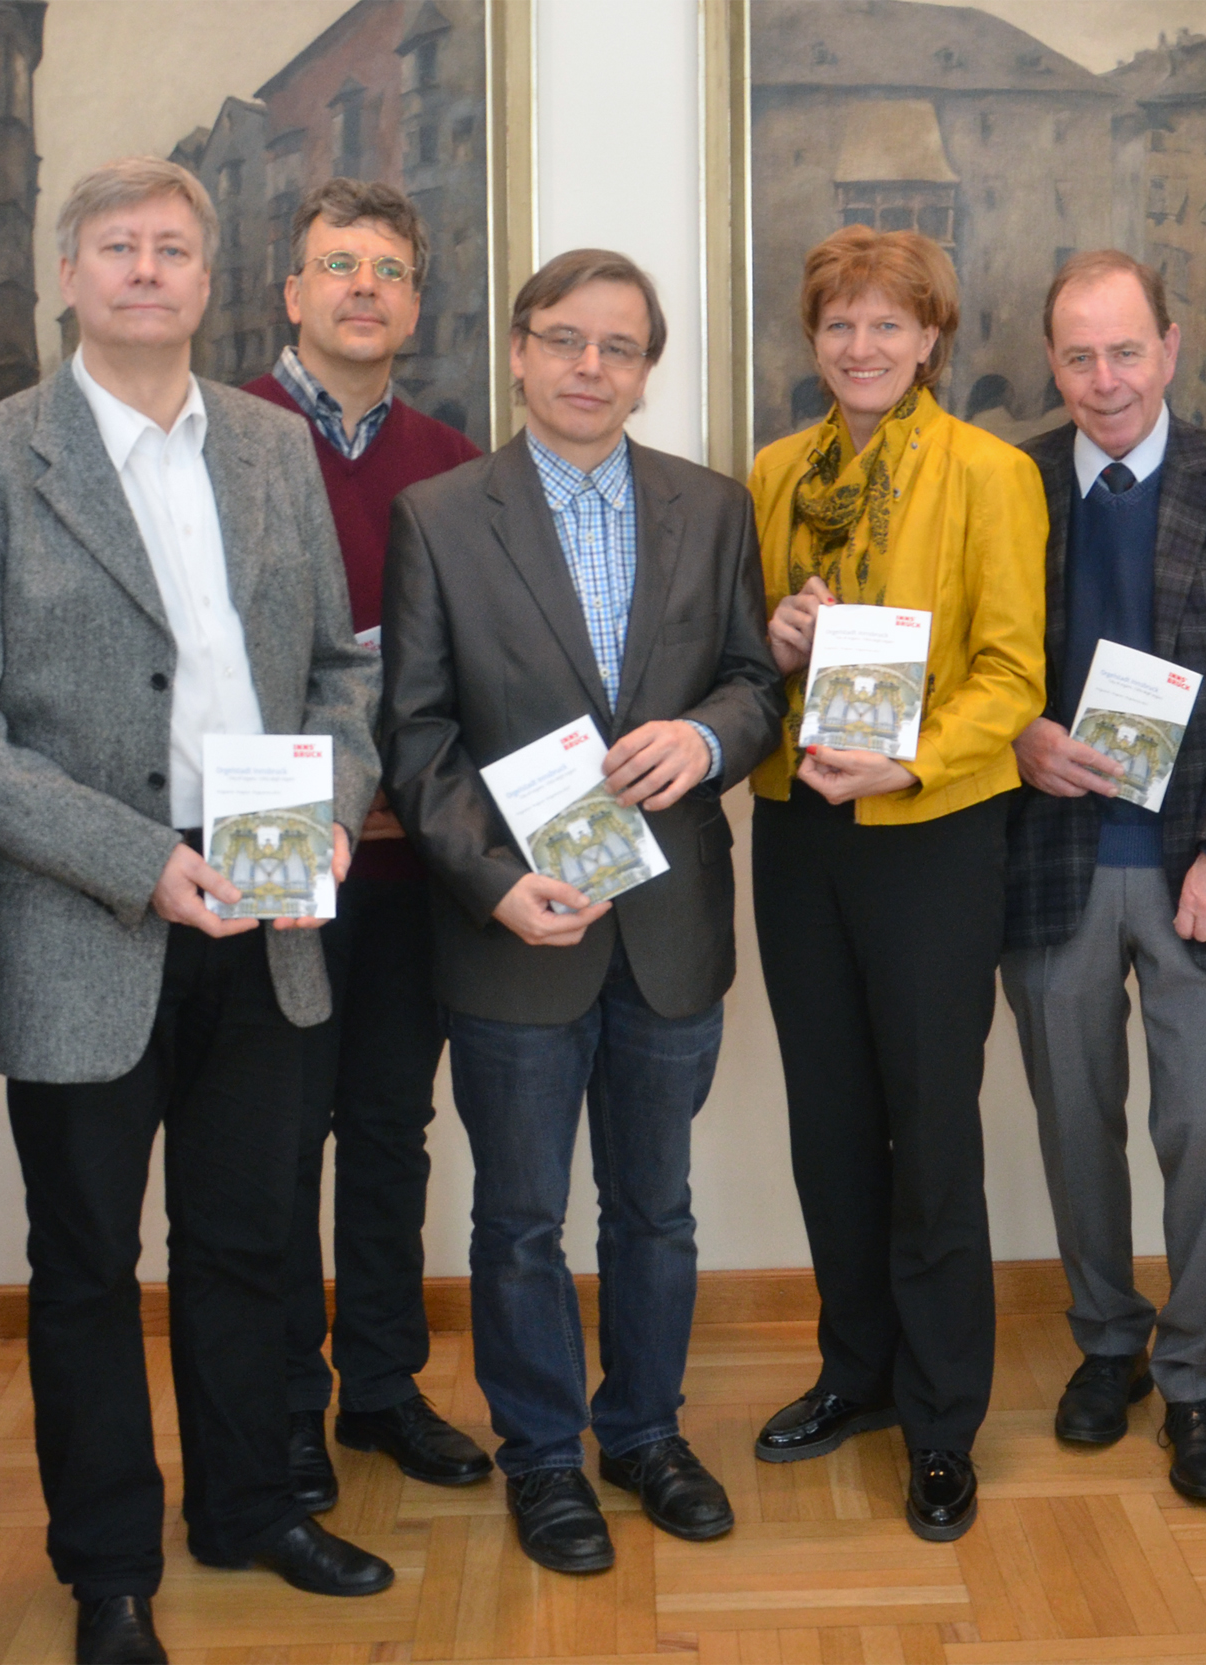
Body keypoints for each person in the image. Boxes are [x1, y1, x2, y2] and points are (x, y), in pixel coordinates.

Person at [0, 158, 389, 1665]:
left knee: (250, 1239)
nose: (147, 269)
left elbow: (338, 674)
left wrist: (332, 804)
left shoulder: (267, 446)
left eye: (175, 247)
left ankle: (249, 1503)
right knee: (89, 1264)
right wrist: (135, 860)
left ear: (209, 276)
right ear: (68, 275)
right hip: (86, 911)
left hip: (270, 891)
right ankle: (109, 1567)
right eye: (117, 246)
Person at [380, 248, 784, 1575]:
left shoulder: (712, 507)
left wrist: (710, 741)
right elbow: (416, 736)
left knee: (657, 1211)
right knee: (516, 1219)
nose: (589, 367)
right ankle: (544, 1460)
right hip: (519, 932)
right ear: (516, 350)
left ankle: (645, 1434)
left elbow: (750, 681)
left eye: (618, 347)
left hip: (669, 931)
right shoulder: (441, 516)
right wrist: (494, 883)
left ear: (648, 368)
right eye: (564, 339)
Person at [999, 250, 1206, 1503]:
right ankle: (1105, 1345)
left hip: (1204, 873)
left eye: (1125, 350)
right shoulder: (1010, 484)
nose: (1103, 378)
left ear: (1171, 349)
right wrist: (1015, 732)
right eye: (1077, 355)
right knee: (1074, 1130)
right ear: (1052, 363)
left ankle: (1196, 1378)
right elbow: (978, 656)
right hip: (1049, 865)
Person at [745, 226, 1048, 1543]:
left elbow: (1012, 676)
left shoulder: (988, 473)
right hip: (798, 828)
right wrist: (770, 634)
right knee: (828, 1120)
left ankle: (940, 1421)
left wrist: (909, 761)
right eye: (839, 325)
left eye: (887, 324)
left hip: (931, 833)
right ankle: (854, 1373)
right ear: (813, 342)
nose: (861, 347)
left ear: (931, 339)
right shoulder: (772, 473)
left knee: (929, 1128)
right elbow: (736, 666)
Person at [241, 177, 489, 1515]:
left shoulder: (454, 463)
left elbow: (480, 666)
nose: (361, 289)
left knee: (391, 1131)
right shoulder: (222, 439)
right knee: (279, 1142)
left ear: (413, 299)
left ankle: (384, 1390)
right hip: (274, 866)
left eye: (388, 270)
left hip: (411, 869)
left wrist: (415, 803)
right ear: (292, 291)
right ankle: (285, 1409)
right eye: (336, 264)